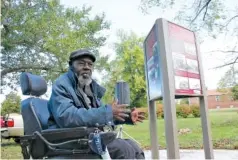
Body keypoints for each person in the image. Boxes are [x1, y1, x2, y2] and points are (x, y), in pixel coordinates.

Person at [47, 49, 145, 159]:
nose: (87, 67)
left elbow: (100, 116)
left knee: (133, 146)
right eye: (81, 63)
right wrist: (108, 111)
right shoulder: (62, 84)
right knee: (122, 148)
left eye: (90, 64)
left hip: (90, 137)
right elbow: (66, 116)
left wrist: (127, 117)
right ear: (71, 65)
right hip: (70, 141)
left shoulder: (90, 88)